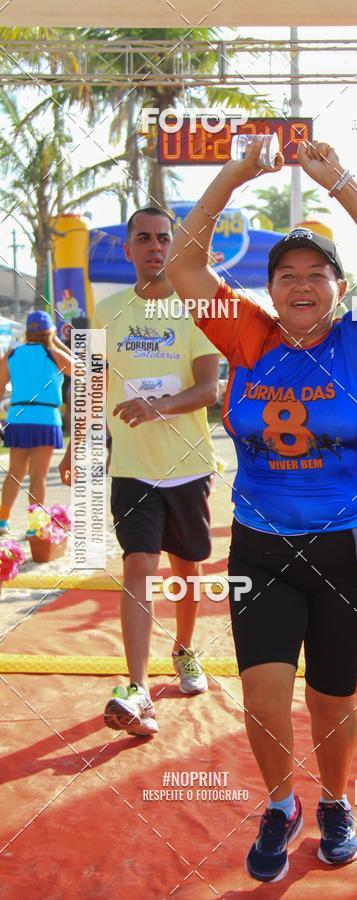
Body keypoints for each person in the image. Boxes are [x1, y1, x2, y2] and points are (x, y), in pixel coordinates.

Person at [166, 139, 357, 883]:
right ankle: (282, 805)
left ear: (339, 289)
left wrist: (336, 179)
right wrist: (235, 175)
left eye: (317, 275)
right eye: (287, 276)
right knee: (263, 694)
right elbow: (184, 264)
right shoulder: (247, 338)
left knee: (331, 698)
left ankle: (336, 799)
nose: (301, 286)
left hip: (346, 549)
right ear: (270, 289)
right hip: (261, 548)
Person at [59, 207, 220, 736]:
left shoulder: (192, 310)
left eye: (163, 239)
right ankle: (137, 690)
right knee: (138, 567)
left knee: (187, 569)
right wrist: (74, 446)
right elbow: (91, 384)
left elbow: (207, 389)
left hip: (188, 465)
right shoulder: (105, 312)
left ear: (173, 248)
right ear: (128, 250)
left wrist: (160, 407)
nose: (155, 247)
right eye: (144, 239)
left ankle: (184, 649)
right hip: (130, 468)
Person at [0, 310, 73, 534]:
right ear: (50, 331)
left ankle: (2, 520)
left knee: (15, 472)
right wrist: (59, 343)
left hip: (18, 416)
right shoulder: (54, 353)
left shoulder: (12, 354)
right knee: (38, 475)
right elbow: (82, 368)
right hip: (45, 418)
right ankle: (35, 525)